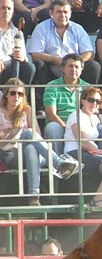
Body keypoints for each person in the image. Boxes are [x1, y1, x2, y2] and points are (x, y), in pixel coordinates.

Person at [0, 78, 79, 206]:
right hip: (8, 154)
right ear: (6, 95)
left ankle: (34, 196)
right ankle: (58, 163)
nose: (16, 96)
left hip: (28, 153)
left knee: (30, 145)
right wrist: (14, 133)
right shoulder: (0, 111)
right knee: (27, 134)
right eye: (13, 93)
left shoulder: (26, 110)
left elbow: (37, 134)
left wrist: (21, 133)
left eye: (20, 94)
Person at [28, 0, 100, 86]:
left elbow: (89, 53)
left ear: (70, 14)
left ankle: (88, 97)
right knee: (38, 64)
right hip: (51, 70)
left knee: (93, 66)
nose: (62, 15)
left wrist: (73, 63)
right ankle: (43, 98)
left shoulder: (78, 29)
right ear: (51, 13)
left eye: (65, 12)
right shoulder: (41, 28)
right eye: (59, 12)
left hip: (75, 70)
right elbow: (36, 55)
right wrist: (60, 61)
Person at [43, 53, 89, 154]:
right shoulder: (52, 86)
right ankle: (59, 164)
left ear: (81, 70)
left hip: (81, 126)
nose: (74, 69)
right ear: (63, 69)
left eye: (77, 66)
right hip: (60, 125)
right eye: (70, 66)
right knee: (52, 128)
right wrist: (67, 128)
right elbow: (51, 114)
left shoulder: (88, 88)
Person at [0, 0, 35, 85]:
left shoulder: (17, 32)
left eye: (9, 9)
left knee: (29, 67)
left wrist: (22, 57)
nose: (6, 11)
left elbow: (23, 55)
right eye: (3, 8)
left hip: (11, 68)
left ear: (13, 12)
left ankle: (20, 96)